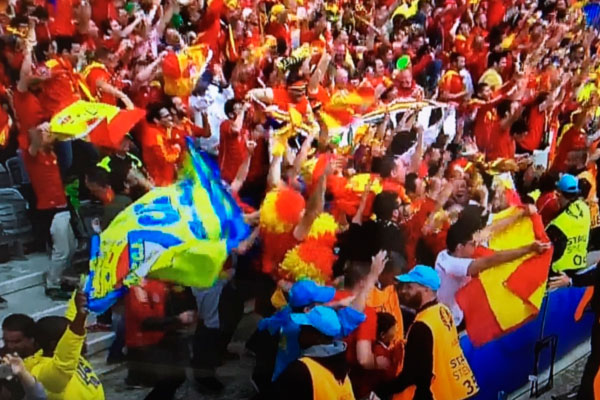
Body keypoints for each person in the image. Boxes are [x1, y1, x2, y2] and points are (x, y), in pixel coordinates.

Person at [375, 265, 479, 400]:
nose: (404, 291)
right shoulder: (443, 310)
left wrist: (381, 391)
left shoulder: (422, 326)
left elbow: (411, 375)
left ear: (426, 289)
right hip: (457, 391)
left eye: (410, 287)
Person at [436, 212, 550, 326]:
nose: (476, 245)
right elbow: (492, 260)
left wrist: (520, 214)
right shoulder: (450, 265)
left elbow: (491, 229)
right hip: (450, 321)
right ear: (460, 247)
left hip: (461, 312)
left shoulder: (451, 252)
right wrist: (528, 249)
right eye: (472, 243)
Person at [25, 291, 105, 399]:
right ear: (55, 344)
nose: (80, 340)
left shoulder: (63, 351)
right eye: (69, 337)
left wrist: (81, 290)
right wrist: (81, 315)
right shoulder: (42, 372)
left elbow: (73, 322)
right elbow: (65, 357)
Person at [264, 306, 355, 400]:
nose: (299, 332)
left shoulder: (301, 370)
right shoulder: (341, 366)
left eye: (304, 329)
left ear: (318, 337)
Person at [546, 174, 591, 275]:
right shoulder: (585, 208)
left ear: (561, 194)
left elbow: (548, 254)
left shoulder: (558, 223)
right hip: (580, 267)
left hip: (559, 273)